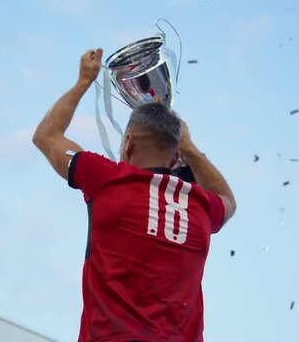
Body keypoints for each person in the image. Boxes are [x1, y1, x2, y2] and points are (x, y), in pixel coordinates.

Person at [33, 48, 236, 342]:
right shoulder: (203, 207)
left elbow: (46, 136)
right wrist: (190, 148)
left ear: (128, 143)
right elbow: (227, 200)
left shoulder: (106, 178)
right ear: (177, 154)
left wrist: (83, 81)